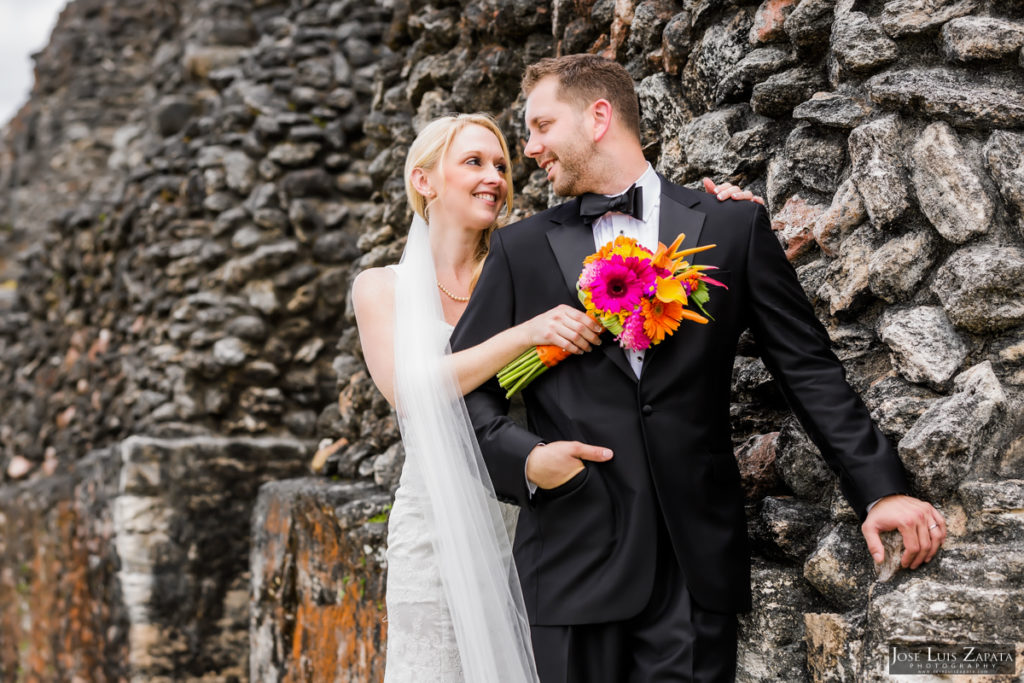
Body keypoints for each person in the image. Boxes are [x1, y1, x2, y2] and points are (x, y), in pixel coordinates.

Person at [450, 54, 946, 682]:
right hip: (570, 560)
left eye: (542, 125)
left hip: (695, 567)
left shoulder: (729, 225)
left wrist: (882, 489)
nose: (531, 147)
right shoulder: (521, 250)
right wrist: (526, 460)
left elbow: (809, 369)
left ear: (598, 116)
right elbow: (467, 389)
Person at [352, 113, 756, 682]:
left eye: (500, 165)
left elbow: (640, 261)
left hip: (538, 515)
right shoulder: (381, 288)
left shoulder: (530, 260)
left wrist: (720, 212)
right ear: (424, 180)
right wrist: (526, 332)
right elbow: (409, 394)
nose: (494, 176)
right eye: (474, 162)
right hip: (436, 523)